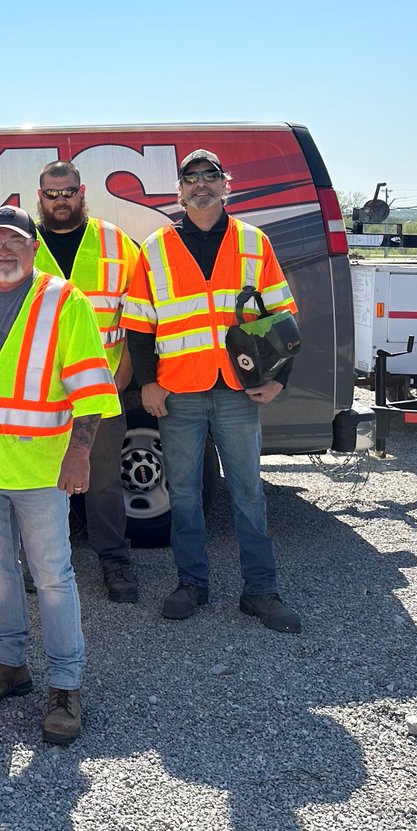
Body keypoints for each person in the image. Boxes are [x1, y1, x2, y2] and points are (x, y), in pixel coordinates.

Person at [0, 205, 119, 745]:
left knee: (53, 575)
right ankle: (9, 664)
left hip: (40, 464)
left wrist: (79, 452)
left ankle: (65, 684)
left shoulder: (63, 300)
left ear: (33, 248)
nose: (4, 250)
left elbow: (89, 385)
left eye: (15, 241)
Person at [123, 149, 301, 633]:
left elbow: (283, 317)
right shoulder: (155, 247)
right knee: (183, 493)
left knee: (247, 492)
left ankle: (260, 591)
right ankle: (191, 584)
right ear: (179, 190)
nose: (200, 184)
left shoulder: (252, 241)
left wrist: (278, 377)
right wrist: (148, 384)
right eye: (191, 177)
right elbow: (139, 325)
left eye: (210, 176)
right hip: (178, 391)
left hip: (238, 392)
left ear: (226, 184)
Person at [34, 161, 141, 603]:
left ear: (82, 192)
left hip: (100, 388)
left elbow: (137, 315)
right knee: (38, 481)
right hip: (36, 394)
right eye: (52, 194)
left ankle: (114, 560)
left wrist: (126, 371)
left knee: (102, 482)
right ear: (39, 197)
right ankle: (41, 565)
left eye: (69, 192)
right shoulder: (22, 242)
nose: (61, 201)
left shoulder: (116, 242)